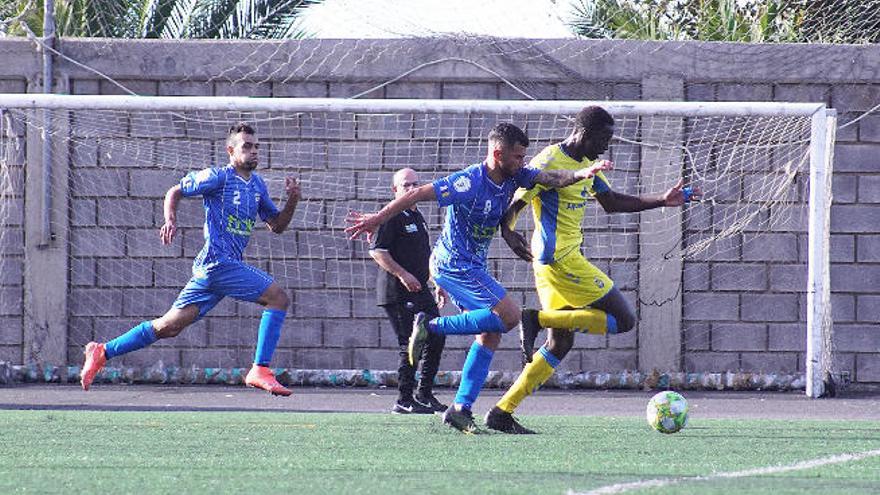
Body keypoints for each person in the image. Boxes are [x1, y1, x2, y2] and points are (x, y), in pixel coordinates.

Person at [346, 122, 610, 433]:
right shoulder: (469, 182)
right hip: (454, 265)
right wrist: (377, 218)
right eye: (517, 157)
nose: (523, 163)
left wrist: (581, 174)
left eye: (524, 157)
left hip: (470, 266)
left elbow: (551, 178)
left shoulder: (516, 176)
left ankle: (461, 408)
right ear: (498, 154)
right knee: (511, 316)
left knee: (490, 333)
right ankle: (430, 327)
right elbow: (417, 193)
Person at [488, 106, 700, 433]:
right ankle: (536, 319)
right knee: (624, 319)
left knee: (560, 344)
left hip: (552, 263)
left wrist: (663, 200)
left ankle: (502, 411)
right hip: (560, 259)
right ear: (585, 133)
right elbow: (516, 201)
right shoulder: (548, 161)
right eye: (604, 138)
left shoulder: (588, 164)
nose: (606, 145)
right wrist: (508, 230)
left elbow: (611, 202)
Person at [80, 123, 301, 396]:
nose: (254, 151)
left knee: (168, 327)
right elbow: (175, 191)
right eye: (247, 146)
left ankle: (102, 351)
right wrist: (170, 219)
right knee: (278, 298)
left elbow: (276, 225)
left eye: (256, 147)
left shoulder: (257, 185)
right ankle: (260, 369)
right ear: (230, 150)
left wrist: (292, 201)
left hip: (216, 271)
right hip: (218, 263)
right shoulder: (217, 177)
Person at [370, 168, 449, 414]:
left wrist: (437, 283)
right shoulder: (390, 215)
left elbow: (424, 255)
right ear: (395, 190)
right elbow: (378, 251)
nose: (411, 188)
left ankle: (424, 394)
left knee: (437, 335)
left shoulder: (417, 215)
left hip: (420, 289)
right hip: (398, 292)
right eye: (405, 185)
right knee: (411, 343)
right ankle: (404, 400)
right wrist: (403, 274)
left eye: (415, 184)